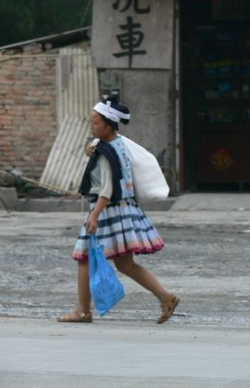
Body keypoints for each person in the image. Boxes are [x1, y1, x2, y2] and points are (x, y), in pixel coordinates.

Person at [57, 97, 179, 324]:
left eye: (95, 124)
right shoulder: (120, 145)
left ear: (109, 125)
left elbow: (107, 188)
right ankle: (166, 297)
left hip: (106, 212)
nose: (91, 128)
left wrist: (94, 215)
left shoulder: (105, 152)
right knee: (126, 264)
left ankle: (83, 311)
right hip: (124, 210)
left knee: (83, 258)